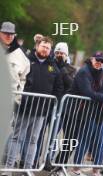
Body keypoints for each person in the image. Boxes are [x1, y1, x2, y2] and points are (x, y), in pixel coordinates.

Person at [5, 36, 63, 170]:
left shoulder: (53, 68)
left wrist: (50, 105)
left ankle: (28, 169)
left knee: (33, 141)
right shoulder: (26, 60)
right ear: (37, 46)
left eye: (48, 48)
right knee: (17, 138)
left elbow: (58, 89)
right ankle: (8, 168)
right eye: (43, 46)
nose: (45, 50)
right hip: (24, 108)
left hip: (41, 111)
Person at [0, 21, 30, 103]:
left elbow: (24, 79)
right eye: (5, 33)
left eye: (11, 34)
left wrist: (17, 99)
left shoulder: (21, 55)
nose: (9, 36)